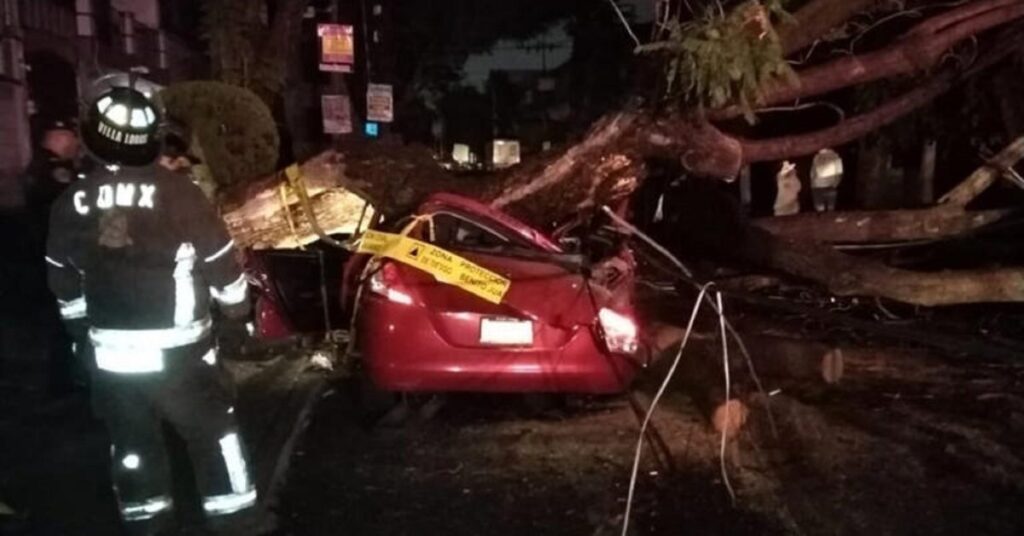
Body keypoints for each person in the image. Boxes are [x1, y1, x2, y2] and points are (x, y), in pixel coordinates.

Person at [46, 72, 266, 535]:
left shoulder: (70, 202)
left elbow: (62, 280)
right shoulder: (180, 194)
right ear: (153, 132)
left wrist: (80, 335)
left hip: (110, 360)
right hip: (182, 358)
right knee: (213, 436)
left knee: (131, 444)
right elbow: (222, 265)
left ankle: (147, 522)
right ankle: (237, 522)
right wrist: (238, 317)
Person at [21, 119, 85, 396]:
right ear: (59, 138)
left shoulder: (37, 167)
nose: (76, 147)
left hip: (41, 256)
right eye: (72, 140)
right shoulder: (56, 171)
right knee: (63, 323)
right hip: (56, 258)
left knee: (55, 323)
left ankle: (60, 378)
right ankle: (63, 381)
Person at [811, 148, 843, 212]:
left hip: (826, 186)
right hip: (820, 186)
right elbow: (813, 172)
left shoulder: (835, 157)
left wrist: (835, 184)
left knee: (826, 209)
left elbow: (839, 173)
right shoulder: (817, 157)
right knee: (824, 209)